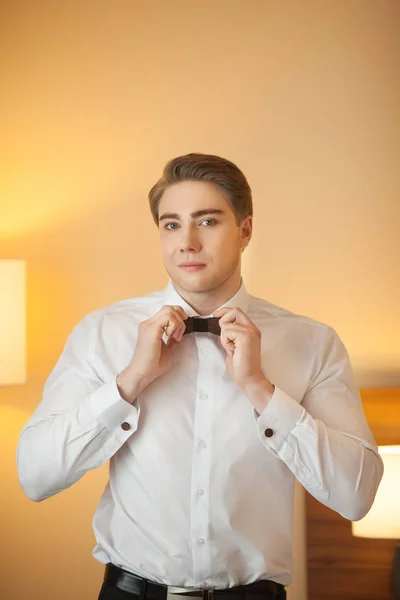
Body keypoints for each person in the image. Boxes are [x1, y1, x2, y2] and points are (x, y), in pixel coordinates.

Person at [17, 153, 383, 600]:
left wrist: (261, 391)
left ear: (245, 230)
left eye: (207, 222)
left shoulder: (313, 343)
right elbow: (35, 476)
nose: (187, 242)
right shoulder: (102, 333)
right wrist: (130, 381)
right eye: (171, 224)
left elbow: (357, 496)